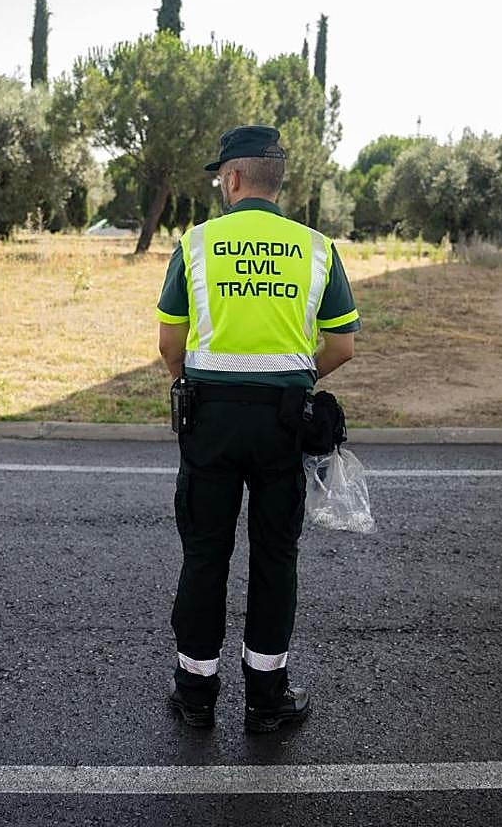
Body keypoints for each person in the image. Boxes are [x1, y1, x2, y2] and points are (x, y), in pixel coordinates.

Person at [156, 125, 360, 732]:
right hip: (283, 425)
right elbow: (342, 345)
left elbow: (170, 344)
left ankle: (195, 696)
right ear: (275, 183)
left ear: (234, 178)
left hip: (211, 421)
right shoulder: (317, 248)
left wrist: (192, 381)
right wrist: (296, 377)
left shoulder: (196, 244)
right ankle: (266, 701)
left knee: (205, 554)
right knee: (275, 558)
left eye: (221, 176)